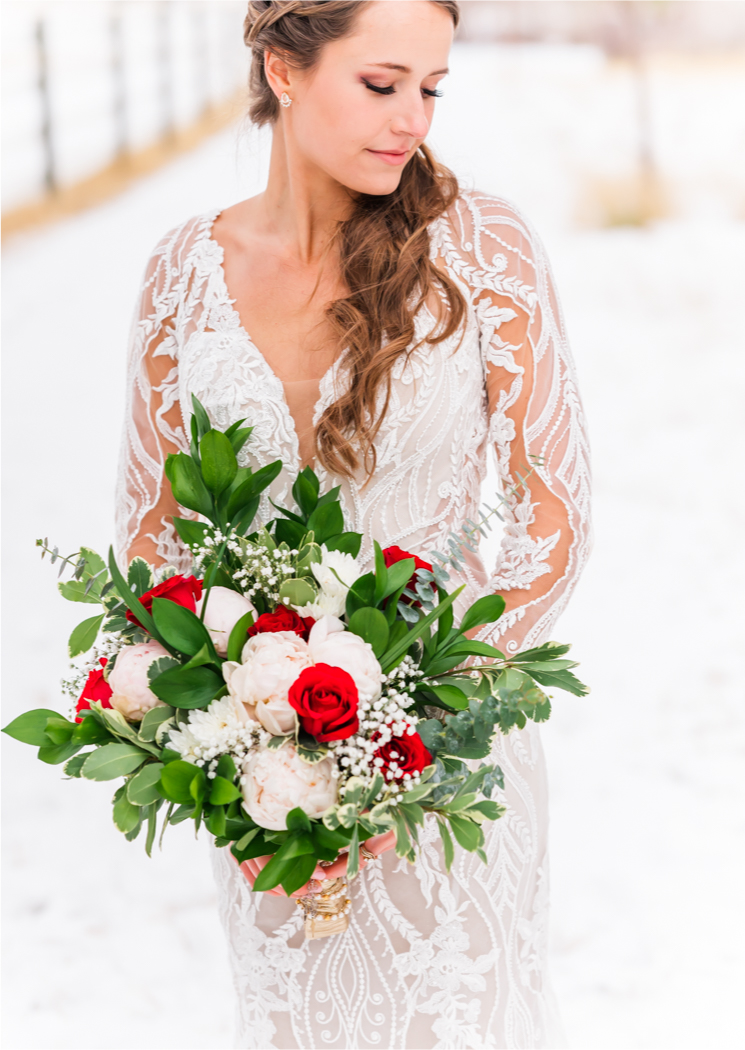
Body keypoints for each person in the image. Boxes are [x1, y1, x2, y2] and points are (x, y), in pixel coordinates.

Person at [113, 2, 589, 1045]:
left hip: (446, 751)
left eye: (431, 88)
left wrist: (412, 719)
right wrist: (225, 753)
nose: (412, 118)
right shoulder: (181, 273)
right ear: (283, 68)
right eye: (383, 84)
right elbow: (151, 542)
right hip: (267, 779)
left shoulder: (483, 245)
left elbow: (556, 512)